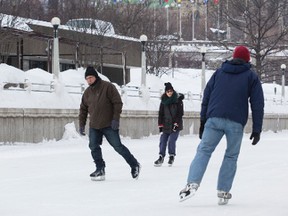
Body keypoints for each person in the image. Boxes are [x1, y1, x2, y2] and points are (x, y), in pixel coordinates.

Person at [179, 46, 264, 204]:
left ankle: (192, 183)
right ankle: (223, 190)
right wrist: (257, 129)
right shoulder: (251, 76)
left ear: (233, 57)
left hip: (214, 118)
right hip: (236, 122)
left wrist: (203, 121)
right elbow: (257, 103)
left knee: (204, 151)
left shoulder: (219, 72)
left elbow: (207, 97)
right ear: (247, 60)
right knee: (231, 156)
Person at [79, 66, 140, 181]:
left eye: (91, 77)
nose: (89, 80)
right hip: (94, 125)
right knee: (93, 146)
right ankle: (100, 169)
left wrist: (115, 119)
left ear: (95, 77)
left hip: (109, 124)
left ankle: (134, 164)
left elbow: (117, 103)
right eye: (87, 78)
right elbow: (83, 109)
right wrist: (82, 124)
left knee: (118, 147)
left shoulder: (108, 87)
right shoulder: (87, 92)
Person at [154, 82, 184, 167]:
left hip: (175, 125)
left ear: (173, 91)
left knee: (171, 140)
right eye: (168, 91)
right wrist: (160, 125)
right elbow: (160, 114)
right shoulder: (163, 101)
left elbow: (180, 113)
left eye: (171, 91)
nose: (169, 93)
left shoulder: (178, 100)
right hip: (166, 125)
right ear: (165, 92)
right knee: (163, 140)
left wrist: (176, 124)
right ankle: (161, 157)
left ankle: (171, 156)